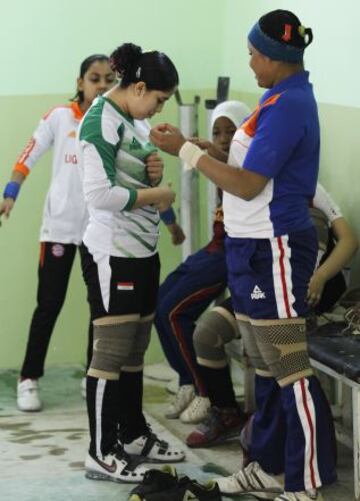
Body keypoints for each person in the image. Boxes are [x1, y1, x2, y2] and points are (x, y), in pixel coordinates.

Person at [150, 10, 338, 501]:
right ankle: (270, 466)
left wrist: (188, 156)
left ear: (275, 56)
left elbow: (249, 185)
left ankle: (306, 479)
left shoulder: (291, 105)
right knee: (265, 364)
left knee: (289, 366)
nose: (250, 61)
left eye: (254, 53)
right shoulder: (273, 99)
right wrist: (185, 145)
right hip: (247, 251)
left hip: (274, 249)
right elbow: (240, 162)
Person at [77, 43, 185, 484]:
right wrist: (155, 195)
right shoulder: (100, 120)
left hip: (142, 250)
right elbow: (98, 195)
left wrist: (152, 169)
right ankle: (100, 451)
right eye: (158, 99)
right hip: (113, 251)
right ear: (139, 87)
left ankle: (134, 433)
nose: (157, 107)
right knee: (110, 354)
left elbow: (131, 172)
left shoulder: (132, 120)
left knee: (135, 351)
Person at [186, 182, 358, 449]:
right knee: (207, 334)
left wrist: (321, 277)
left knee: (273, 357)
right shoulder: (248, 181)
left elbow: (349, 239)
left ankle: (284, 437)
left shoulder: (309, 187)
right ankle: (227, 414)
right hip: (259, 285)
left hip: (298, 292)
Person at [0, 55, 117, 412]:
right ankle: (29, 378)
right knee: (49, 304)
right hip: (59, 230)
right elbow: (29, 154)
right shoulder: (59, 117)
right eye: (94, 78)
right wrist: (10, 193)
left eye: (108, 79)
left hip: (98, 231)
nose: (100, 84)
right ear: (80, 82)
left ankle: (91, 376)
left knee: (99, 308)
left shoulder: (113, 122)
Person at [154, 100, 250, 425]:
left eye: (231, 131)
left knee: (175, 311)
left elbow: (238, 171)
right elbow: (226, 161)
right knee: (160, 303)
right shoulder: (225, 160)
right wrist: (206, 151)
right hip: (215, 246)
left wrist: (192, 150)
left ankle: (204, 392)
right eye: (217, 132)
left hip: (232, 253)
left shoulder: (252, 166)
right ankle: (186, 381)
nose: (224, 138)